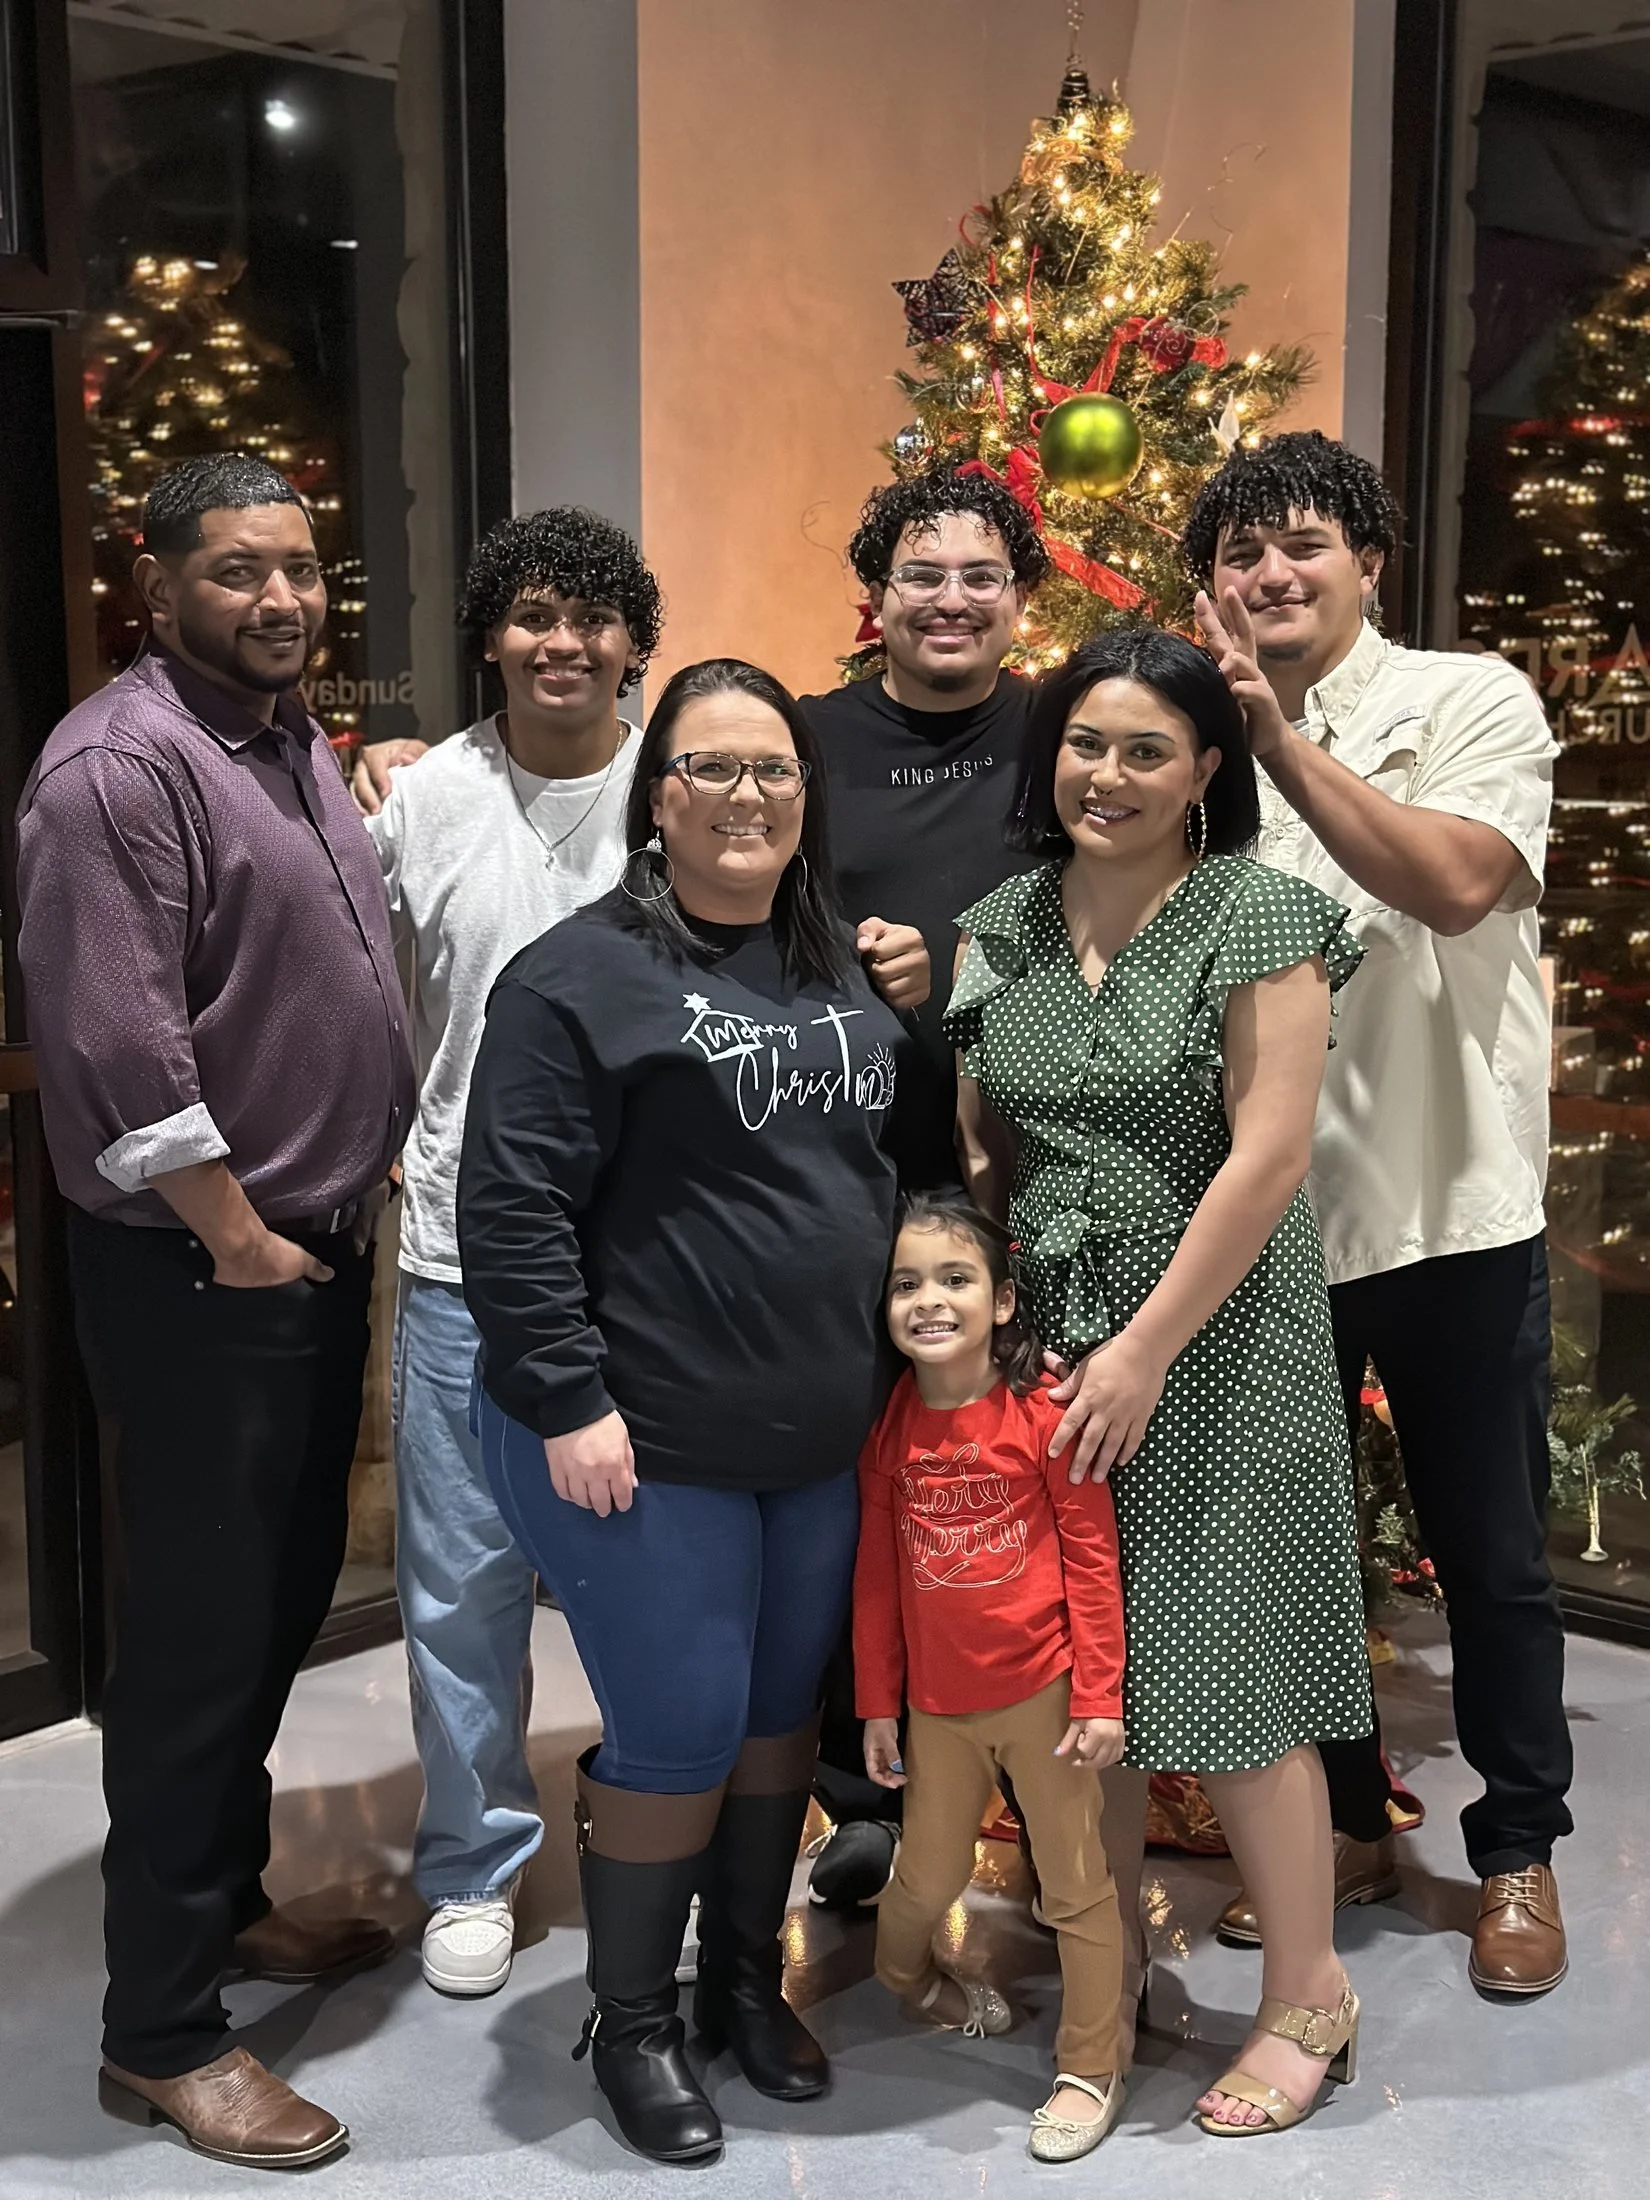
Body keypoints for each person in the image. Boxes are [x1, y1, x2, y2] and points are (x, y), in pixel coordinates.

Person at [456, 659, 922, 2166]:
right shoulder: (575, 977)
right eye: (711, 771)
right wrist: (570, 1401)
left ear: (806, 795)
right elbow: (511, 1211)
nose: (745, 796)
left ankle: (739, 1983)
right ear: (657, 800)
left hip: (811, 1440)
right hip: (636, 1442)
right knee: (676, 1727)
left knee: (778, 1722)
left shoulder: (836, 966)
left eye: (772, 771)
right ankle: (633, 2020)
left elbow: (874, 1171)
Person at [16, 454, 415, 2169]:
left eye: (301, 568)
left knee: (263, 1609)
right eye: (239, 572)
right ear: (156, 584)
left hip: (300, 1250)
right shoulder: (116, 771)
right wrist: (240, 1236)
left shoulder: (287, 739)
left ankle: (232, 1898)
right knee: (193, 1643)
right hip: (205, 1267)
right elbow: (121, 1049)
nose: (281, 598)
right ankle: (161, 2032)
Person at [950, 627, 1371, 2137]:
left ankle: (1306, 1987)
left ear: (1208, 768)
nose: (1106, 775)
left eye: (1145, 750)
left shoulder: (1259, 912)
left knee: (1234, 1672)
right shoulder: (998, 918)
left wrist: (1142, 1347)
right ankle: (1104, 1960)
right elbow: (986, 1146)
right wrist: (1015, 1330)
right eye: (1081, 743)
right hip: (1052, 1341)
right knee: (1085, 1684)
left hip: (1218, 1342)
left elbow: (1267, 1156)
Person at [1187, 431, 1570, 1996]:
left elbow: (1458, 883)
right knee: (1290, 1556)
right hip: (1267, 1220)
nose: (1270, 574)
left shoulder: (1467, 697)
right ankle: (1345, 1825)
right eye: (1238, 555)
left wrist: (1283, 745)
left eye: (1301, 546)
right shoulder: (1196, 736)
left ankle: (1516, 1854)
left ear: (1364, 561)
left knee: (1491, 1553)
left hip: (1448, 1208)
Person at [365, 509, 658, 1998]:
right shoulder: (420, 803)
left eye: (595, 618)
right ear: (490, 632)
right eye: (536, 615)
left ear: (633, 641)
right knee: (462, 1580)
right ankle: (473, 1863)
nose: (565, 642)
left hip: (644, 1260)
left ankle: (646, 1825)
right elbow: (369, 999)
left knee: (648, 1569)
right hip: (459, 1260)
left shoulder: (674, 791)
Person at [799, 466, 1050, 1906]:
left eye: (978, 577)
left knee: (1019, 1474)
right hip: (852, 1173)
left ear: (1019, 598)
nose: (949, 600)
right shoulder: (810, 738)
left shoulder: (1062, 736)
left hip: (1033, 1168)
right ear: (876, 597)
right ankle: (863, 1782)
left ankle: (1031, 1767)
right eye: (920, 574)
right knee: (869, 1472)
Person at [855, 1193, 1128, 2163]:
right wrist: (875, 1703)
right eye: (907, 1282)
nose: (930, 1299)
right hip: (936, 1710)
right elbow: (879, 1579)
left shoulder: (1041, 1413)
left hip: (1047, 1700)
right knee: (923, 1879)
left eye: (955, 1278)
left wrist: (1100, 1694)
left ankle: (1091, 2064)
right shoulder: (890, 1425)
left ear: (1004, 1300)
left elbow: (1092, 1559)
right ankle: (912, 1980)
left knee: (1075, 1888)